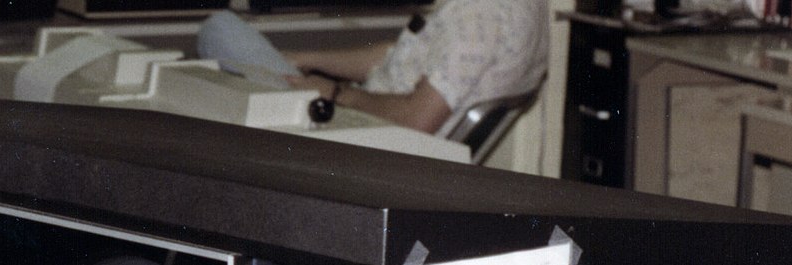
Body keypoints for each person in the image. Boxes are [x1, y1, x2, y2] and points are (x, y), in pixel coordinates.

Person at [197, 0, 549, 136]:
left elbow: (417, 119)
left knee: (221, 28)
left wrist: (334, 93)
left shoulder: (478, 14)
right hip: (365, 117)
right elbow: (395, 57)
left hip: (365, 135)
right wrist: (308, 59)